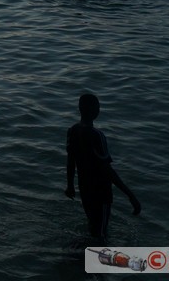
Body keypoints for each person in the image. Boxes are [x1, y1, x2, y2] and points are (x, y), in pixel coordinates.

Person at [66, 93, 140, 243]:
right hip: (100, 192)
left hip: (84, 188)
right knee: (100, 235)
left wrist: (70, 186)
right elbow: (107, 170)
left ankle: (79, 258)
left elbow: (70, 161)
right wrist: (130, 194)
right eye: (98, 106)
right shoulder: (97, 136)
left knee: (93, 227)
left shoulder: (73, 131)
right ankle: (89, 261)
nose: (99, 109)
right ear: (94, 111)